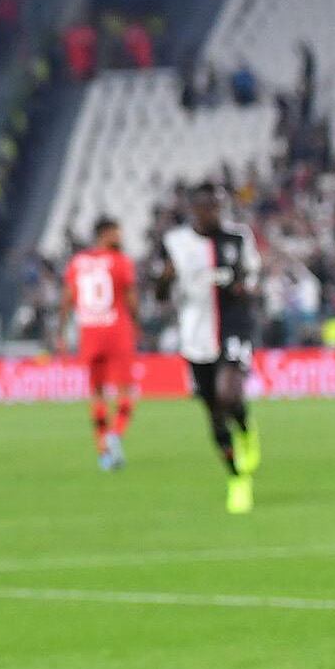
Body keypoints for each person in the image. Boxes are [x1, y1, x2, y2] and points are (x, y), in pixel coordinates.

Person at [155, 187, 264, 513]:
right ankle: (236, 476)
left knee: (229, 394)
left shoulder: (238, 238)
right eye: (205, 207)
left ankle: (245, 430)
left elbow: (254, 278)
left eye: (216, 207)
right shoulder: (176, 243)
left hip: (233, 327)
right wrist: (166, 278)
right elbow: (160, 294)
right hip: (195, 336)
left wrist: (245, 286)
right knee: (214, 411)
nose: (212, 213)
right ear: (193, 209)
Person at [64, 218, 140, 470]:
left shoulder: (77, 262)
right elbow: (131, 301)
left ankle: (103, 451)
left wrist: (62, 330)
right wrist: (137, 324)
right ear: (105, 234)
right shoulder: (120, 261)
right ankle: (115, 435)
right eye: (117, 233)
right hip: (117, 332)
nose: (121, 237)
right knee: (127, 391)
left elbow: (68, 299)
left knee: (96, 394)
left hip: (89, 333)